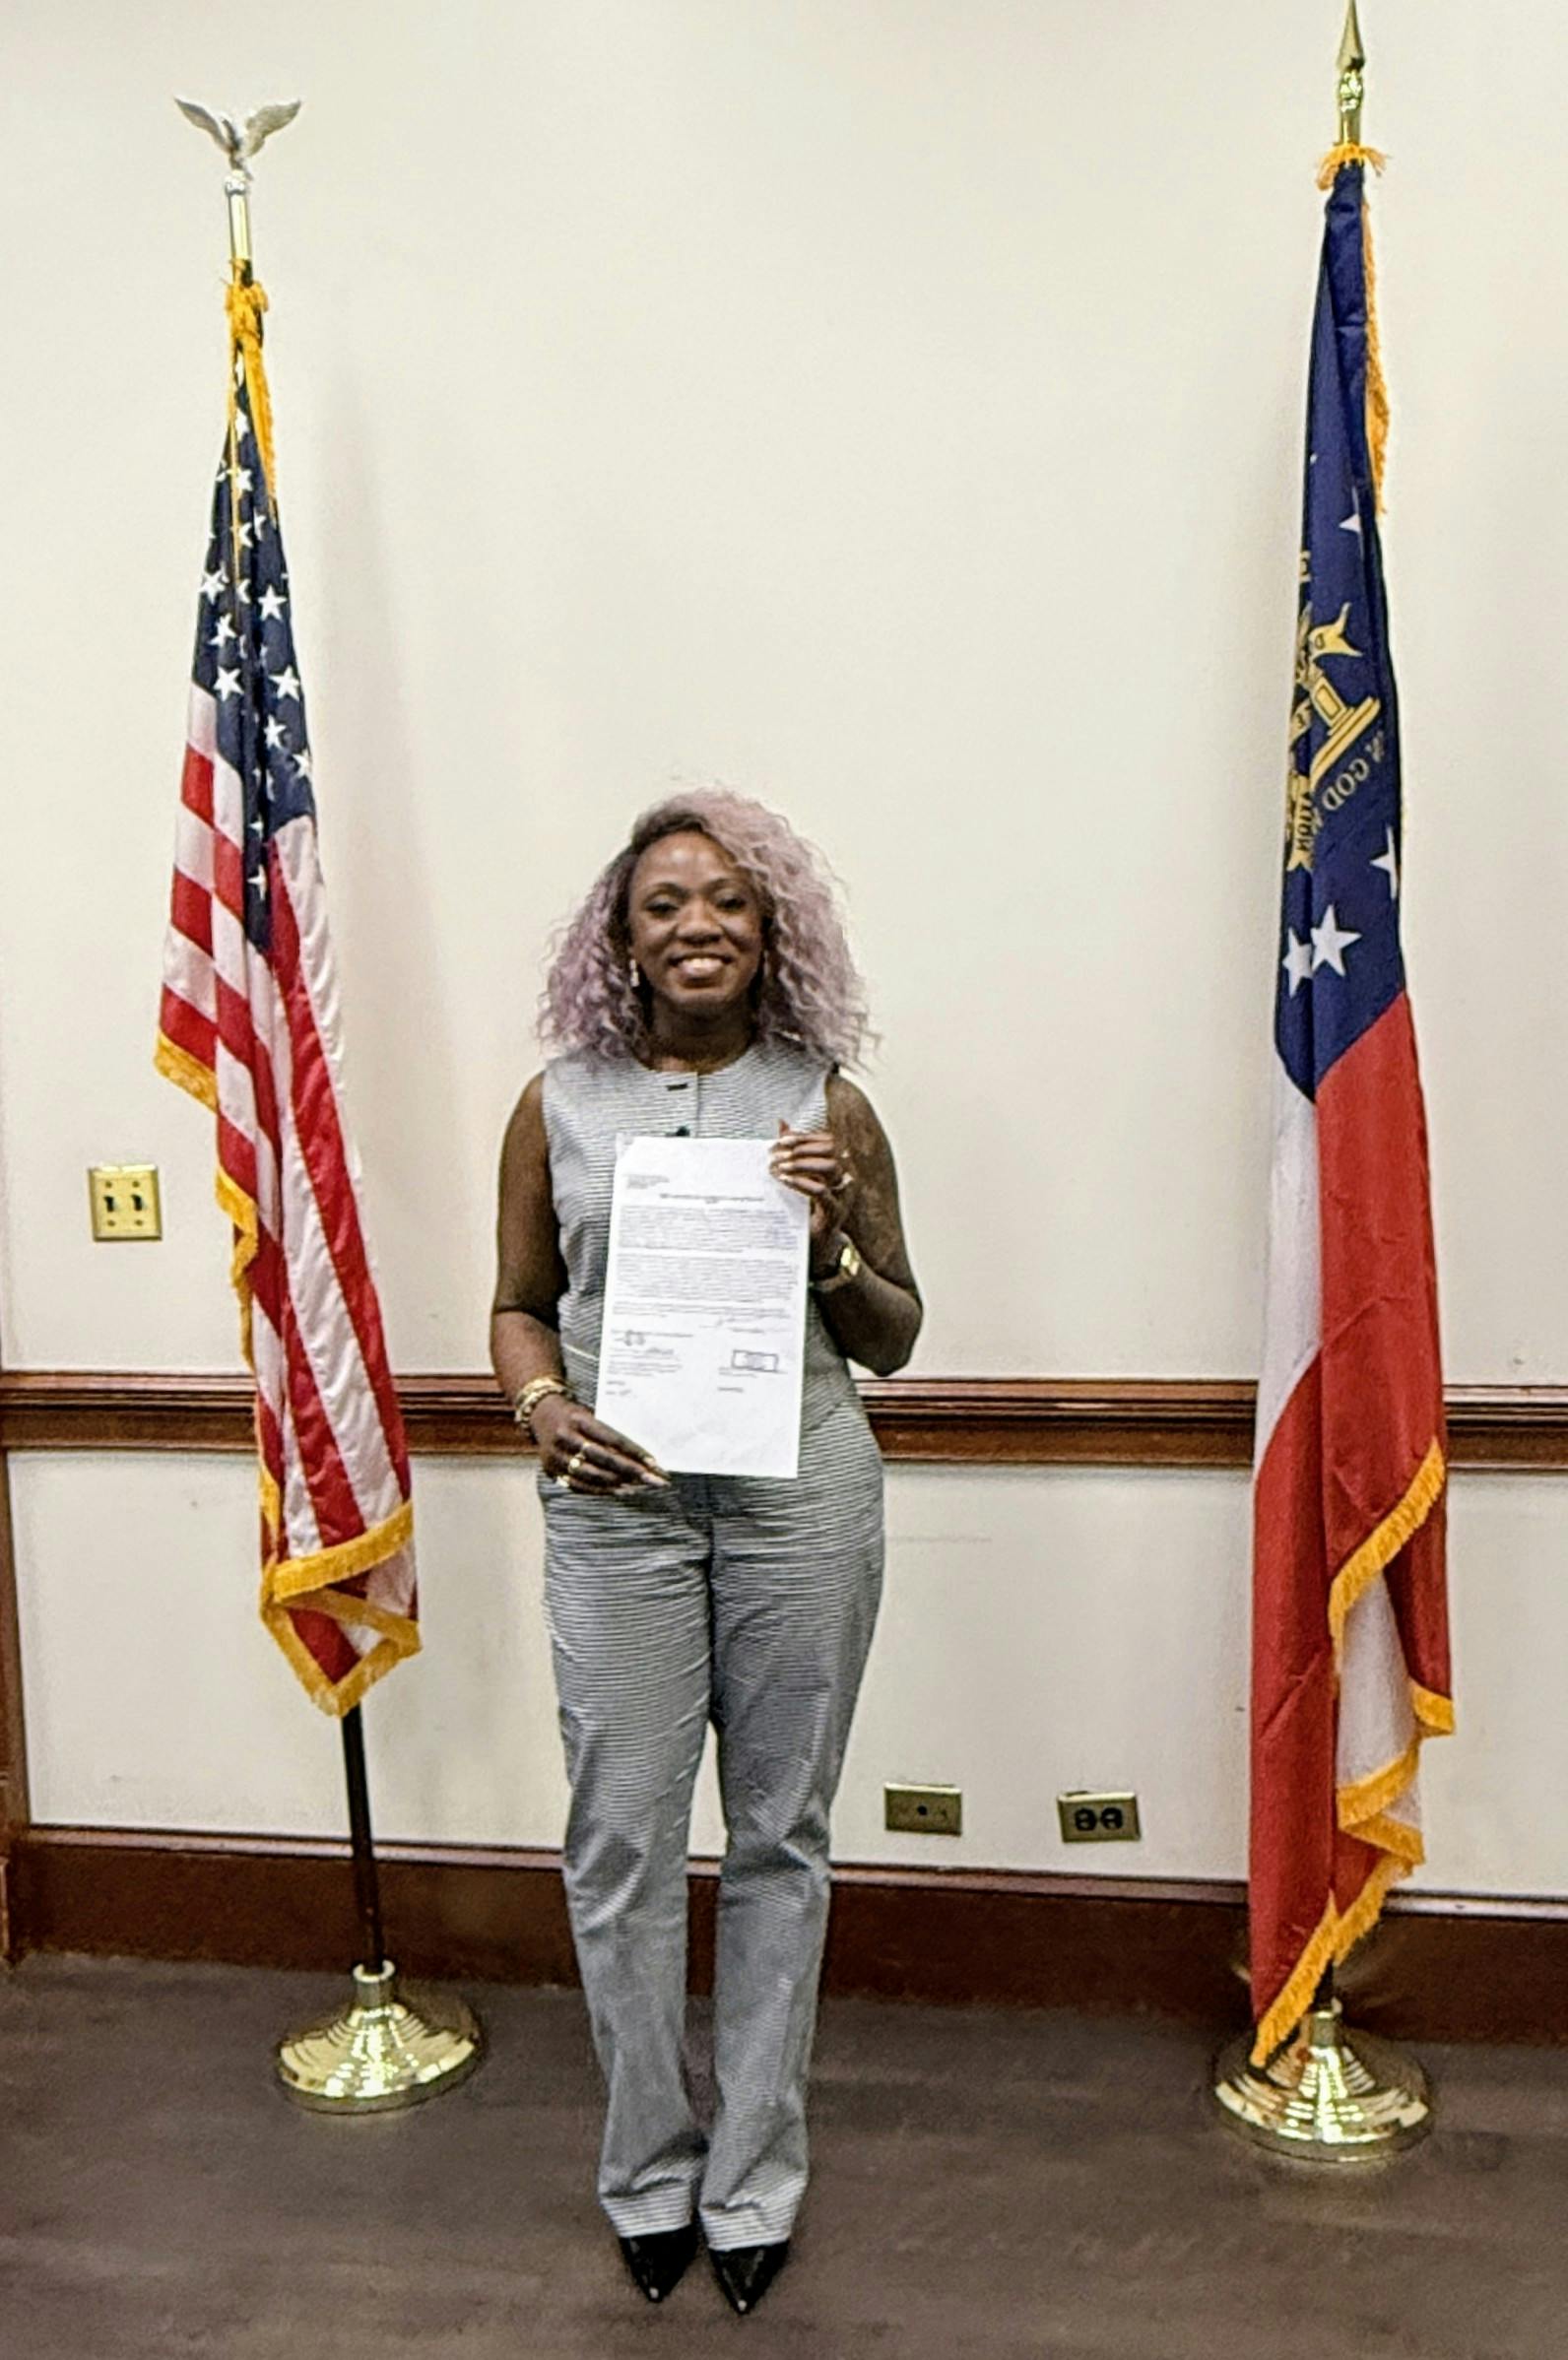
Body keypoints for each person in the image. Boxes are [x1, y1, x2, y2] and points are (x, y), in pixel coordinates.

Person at [490, 788, 922, 2316]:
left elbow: (896, 1337)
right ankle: (648, 2171)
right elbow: (518, 1302)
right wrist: (543, 1407)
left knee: (780, 1840)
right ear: (620, 933)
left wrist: (835, 1244)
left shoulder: (828, 1106)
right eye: (667, 902)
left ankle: (754, 2180)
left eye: (731, 902)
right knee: (620, 1844)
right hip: (620, 1510)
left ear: (773, 929)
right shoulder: (560, 1104)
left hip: (800, 1497)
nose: (700, 926)